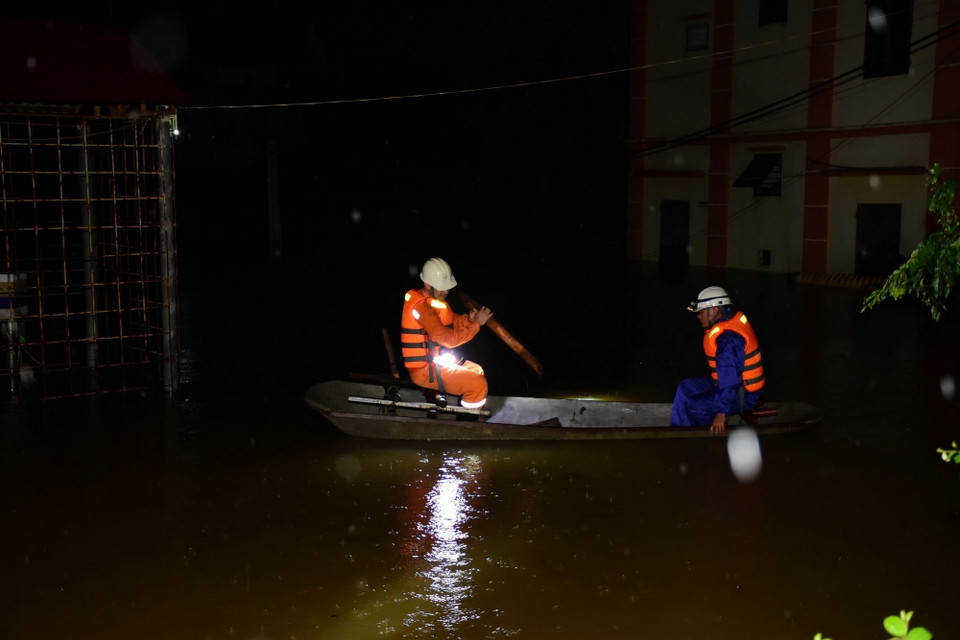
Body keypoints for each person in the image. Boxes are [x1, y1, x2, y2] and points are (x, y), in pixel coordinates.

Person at [400, 257, 494, 411]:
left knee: (477, 370)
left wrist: (469, 320)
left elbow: (451, 321)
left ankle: (467, 411)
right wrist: (477, 325)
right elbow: (447, 340)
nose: (447, 291)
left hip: (437, 361)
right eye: (442, 287)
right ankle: (467, 425)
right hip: (424, 370)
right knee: (478, 384)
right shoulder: (420, 307)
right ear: (427, 284)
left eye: (447, 287)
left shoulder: (431, 301)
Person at [669, 286, 765, 433]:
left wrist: (721, 413)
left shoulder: (727, 339)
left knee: (694, 406)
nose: (699, 316)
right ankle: (677, 430)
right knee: (686, 387)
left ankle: (699, 435)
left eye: (701, 312)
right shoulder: (727, 322)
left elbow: (730, 378)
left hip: (742, 395)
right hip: (728, 386)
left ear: (713, 311)